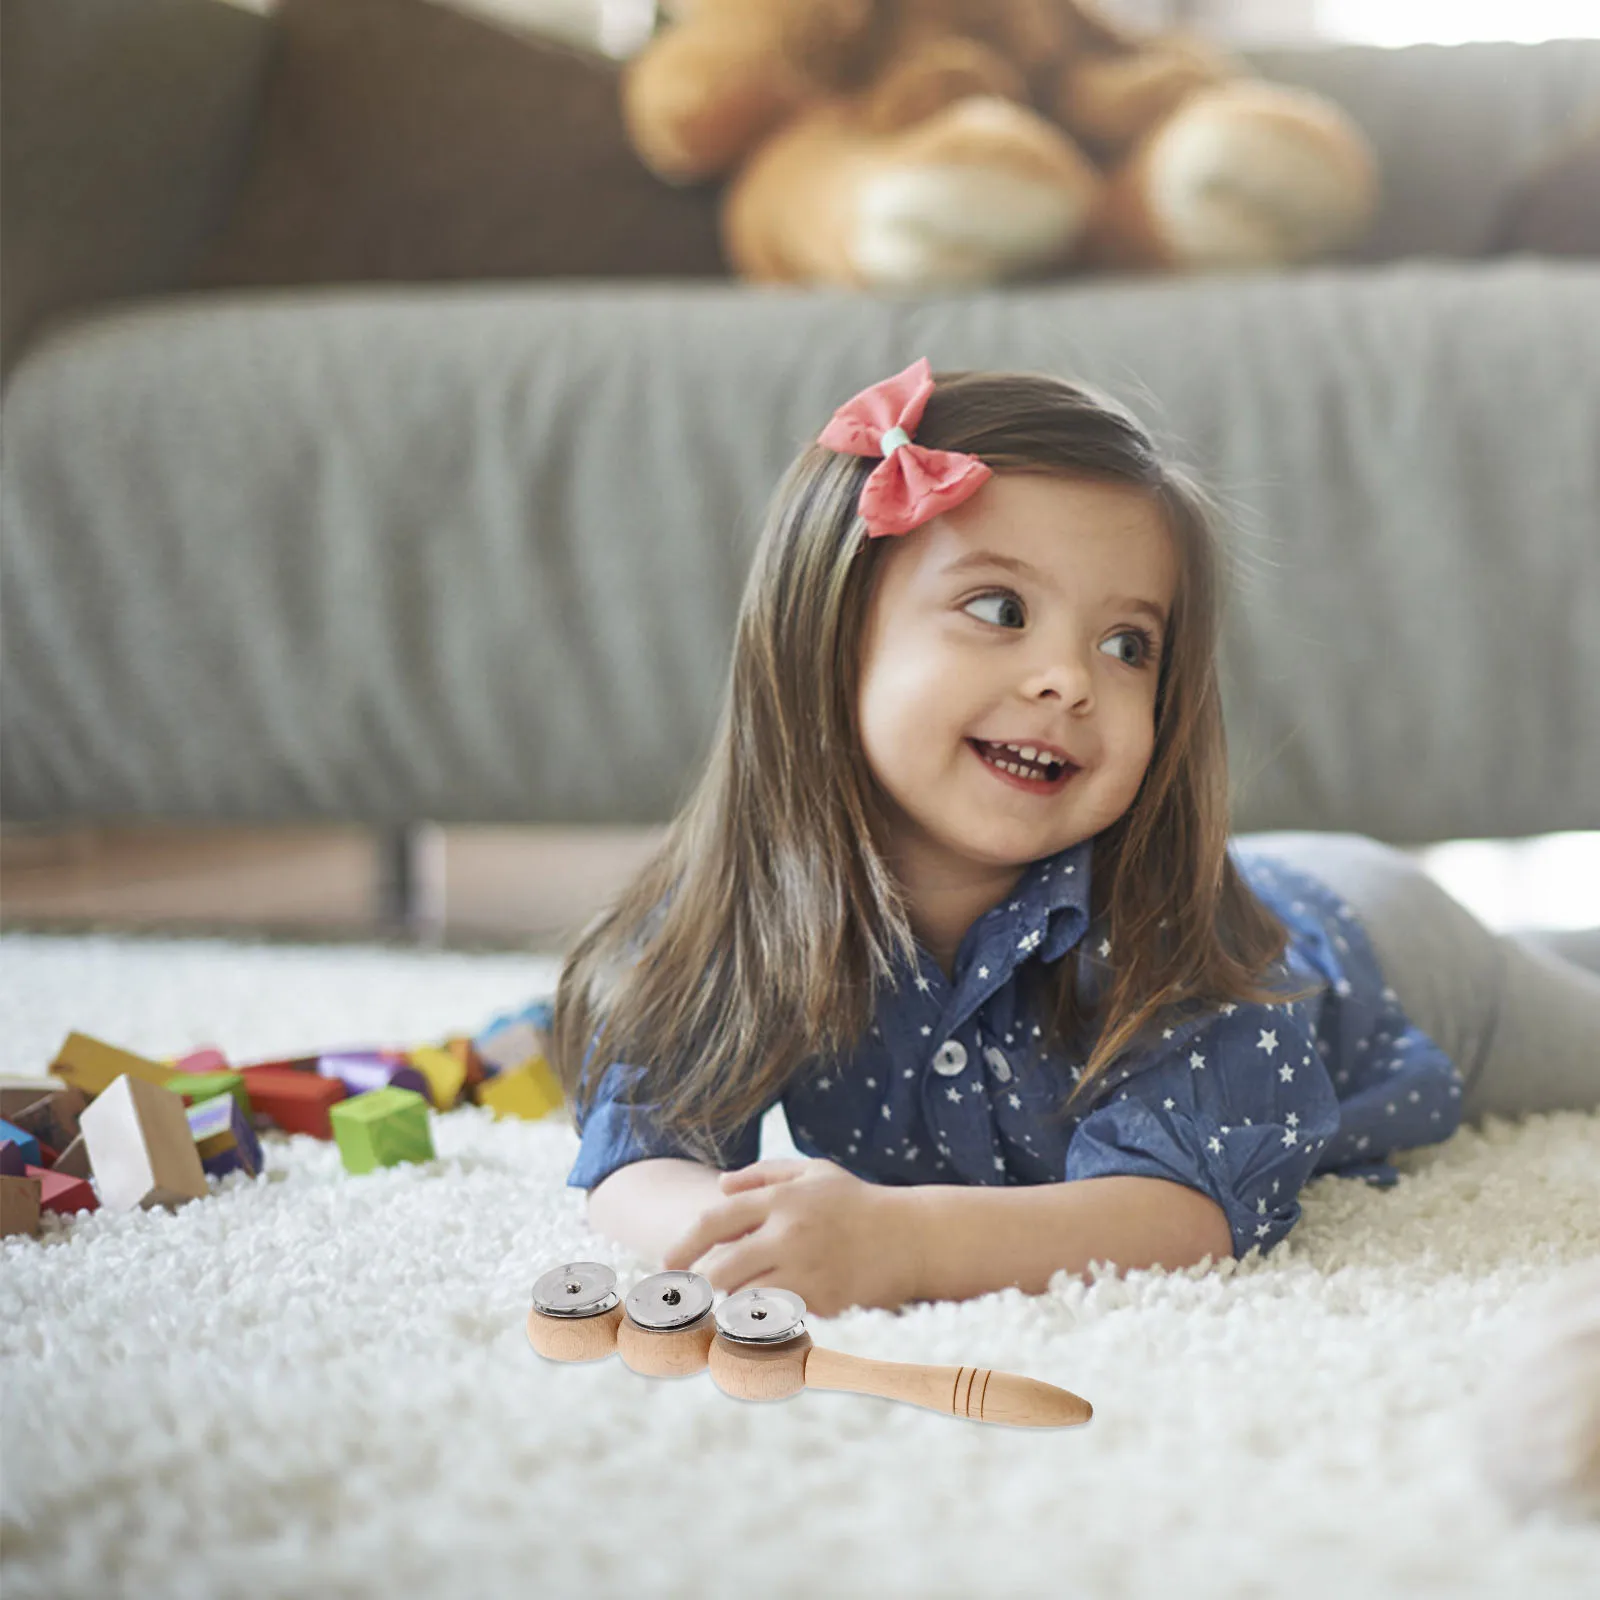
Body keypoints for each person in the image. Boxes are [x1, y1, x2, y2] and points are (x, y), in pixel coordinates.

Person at [543, 358, 1600, 1319]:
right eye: (1000, 609)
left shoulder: (1175, 942)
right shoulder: (728, 918)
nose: (1069, 680)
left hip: (1390, 950)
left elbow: (1179, 1212)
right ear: (826, 633)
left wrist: (901, 1241)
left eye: (1127, 644)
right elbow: (638, 1155)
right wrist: (740, 1235)